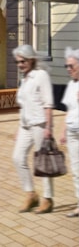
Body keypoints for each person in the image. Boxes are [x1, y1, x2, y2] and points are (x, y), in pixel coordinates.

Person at [11, 45, 56, 214]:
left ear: (31, 59)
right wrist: (18, 128)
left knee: (43, 163)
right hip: (25, 126)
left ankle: (48, 199)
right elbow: (23, 106)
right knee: (17, 157)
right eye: (18, 62)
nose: (20, 64)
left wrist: (49, 128)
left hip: (40, 124)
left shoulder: (41, 75)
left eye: (23, 61)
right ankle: (31, 194)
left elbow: (48, 104)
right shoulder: (24, 79)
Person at [59, 47, 79, 217]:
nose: (68, 69)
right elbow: (68, 110)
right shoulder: (71, 85)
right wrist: (63, 131)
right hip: (73, 133)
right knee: (76, 170)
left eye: (71, 66)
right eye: (67, 66)